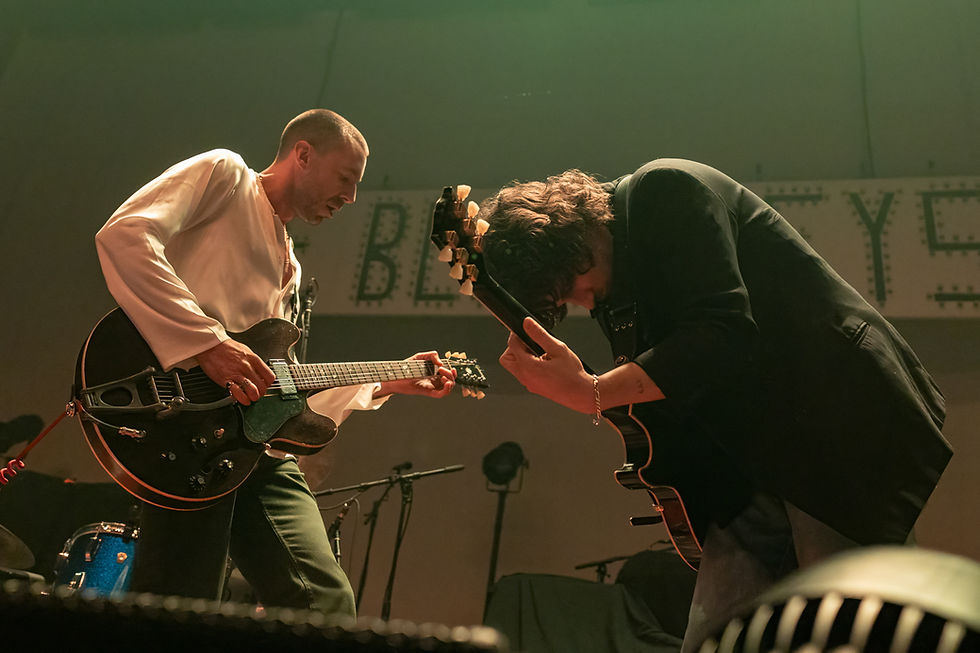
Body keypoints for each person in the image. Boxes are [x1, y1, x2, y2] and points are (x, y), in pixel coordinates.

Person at [476, 160, 952, 651]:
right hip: (753, 463)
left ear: (574, 238)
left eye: (569, 285)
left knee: (847, 626)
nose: (582, 301)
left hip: (833, 424)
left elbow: (721, 332)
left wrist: (589, 392)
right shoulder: (616, 272)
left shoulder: (667, 191)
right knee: (716, 637)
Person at [94, 109, 456, 618]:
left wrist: (387, 382)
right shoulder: (226, 175)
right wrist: (208, 342)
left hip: (256, 449)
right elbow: (126, 235)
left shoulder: (293, 264)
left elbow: (277, 385)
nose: (350, 197)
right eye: (346, 179)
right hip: (185, 429)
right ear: (303, 155)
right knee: (181, 599)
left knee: (325, 602)